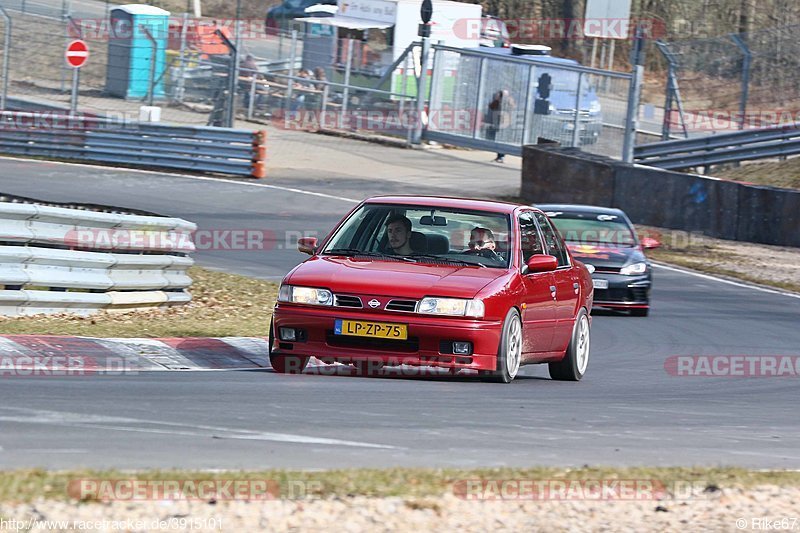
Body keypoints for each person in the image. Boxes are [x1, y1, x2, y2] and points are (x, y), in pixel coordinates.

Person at [486, 89, 515, 163]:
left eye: (504, 94)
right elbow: (491, 106)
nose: (503, 96)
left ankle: (501, 156)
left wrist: (508, 101)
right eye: (502, 94)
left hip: (505, 123)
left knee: (503, 140)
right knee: (497, 139)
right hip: (497, 122)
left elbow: (513, 107)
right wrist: (497, 99)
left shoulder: (509, 101)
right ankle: (499, 156)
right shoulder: (497, 101)